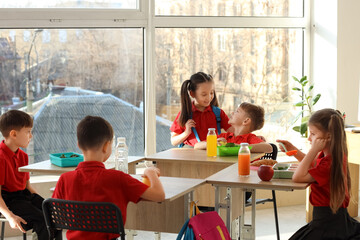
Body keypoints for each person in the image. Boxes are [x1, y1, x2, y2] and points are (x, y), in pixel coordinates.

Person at [52, 116, 165, 240]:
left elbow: (55, 218)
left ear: (78, 145)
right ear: (106, 146)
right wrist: (151, 172)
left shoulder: (64, 179)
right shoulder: (118, 178)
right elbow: (159, 195)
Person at [278, 108, 360, 240]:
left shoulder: (329, 164)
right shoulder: (331, 156)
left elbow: (297, 177)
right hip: (333, 219)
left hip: (327, 223)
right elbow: (313, 164)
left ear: (328, 136)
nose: (309, 138)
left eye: (313, 134)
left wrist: (313, 150)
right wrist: (294, 150)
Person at [0, 110, 49, 239]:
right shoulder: (0, 158)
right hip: (7, 200)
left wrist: (43, 201)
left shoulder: (23, 156)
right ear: (14, 134)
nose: (31, 136)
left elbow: (28, 187)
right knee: (42, 220)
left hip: (23, 196)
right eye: (28, 132)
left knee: (53, 214)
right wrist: (10, 216)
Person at [170, 72, 234, 147]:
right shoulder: (185, 114)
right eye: (204, 94)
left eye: (211, 93)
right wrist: (186, 133)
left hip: (212, 152)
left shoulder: (218, 113)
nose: (209, 97)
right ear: (192, 94)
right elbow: (173, 141)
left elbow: (235, 132)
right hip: (190, 154)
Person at [194, 102, 272, 153]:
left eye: (237, 111)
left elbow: (268, 148)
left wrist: (240, 147)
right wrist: (212, 143)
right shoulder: (225, 137)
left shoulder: (250, 139)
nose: (232, 112)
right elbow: (197, 146)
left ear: (246, 121)